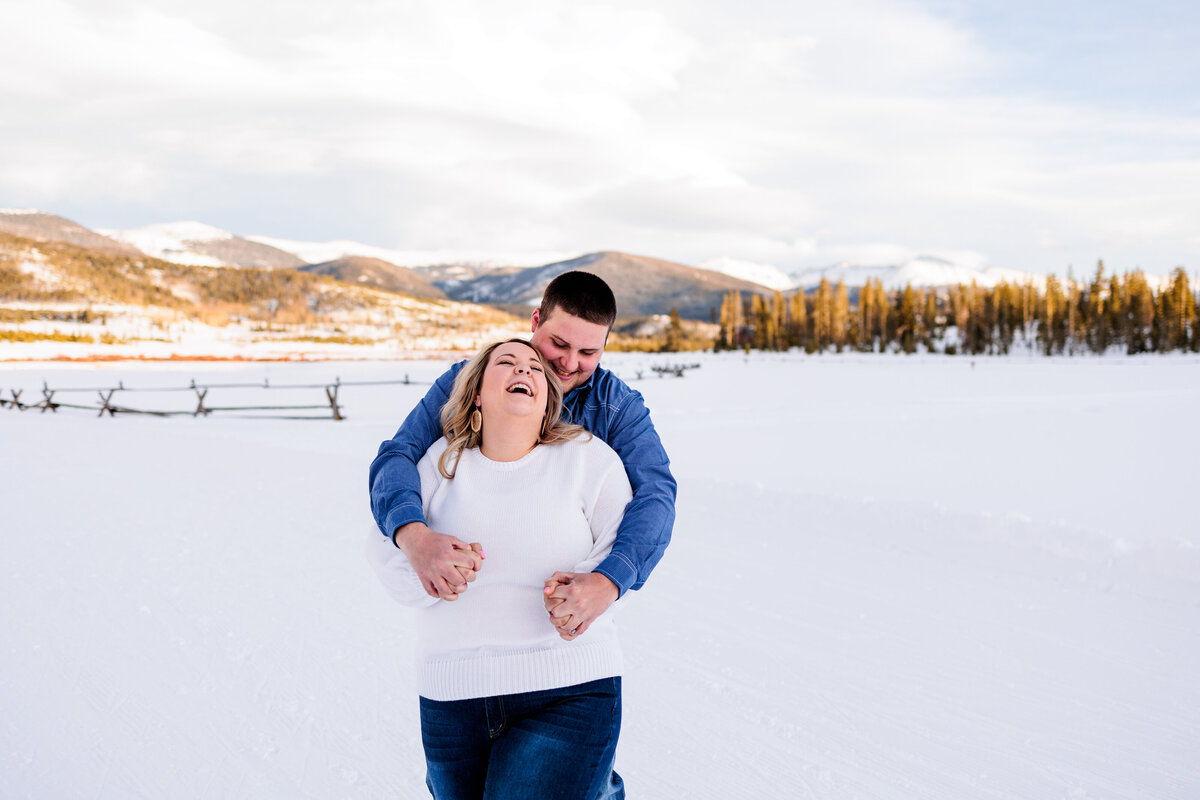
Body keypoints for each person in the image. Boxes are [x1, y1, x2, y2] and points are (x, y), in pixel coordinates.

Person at [366, 339, 633, 798]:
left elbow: (620, 534)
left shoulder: (587, 458)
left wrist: (590, 586)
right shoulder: (438, 464)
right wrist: (430, 567)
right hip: (451, 697)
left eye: (534, 367)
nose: (524, 370)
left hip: (568, 688)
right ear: (475, 394)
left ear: (548, 397)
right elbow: (384, 550)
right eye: (506, 363)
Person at [369, 271, 675, 639]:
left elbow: (656, 494)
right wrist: (414, 537)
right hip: (468, 630)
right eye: (559, 343)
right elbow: (398, 455)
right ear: (535, 320)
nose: (569, 363)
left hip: (566, 638)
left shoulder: (615, 406)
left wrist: (609, 581)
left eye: (588, 352)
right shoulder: (474, 379)